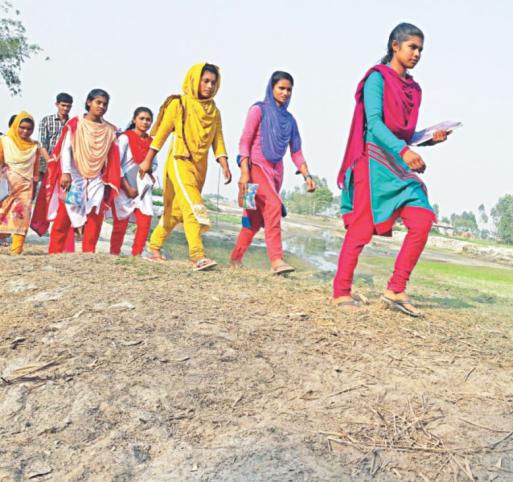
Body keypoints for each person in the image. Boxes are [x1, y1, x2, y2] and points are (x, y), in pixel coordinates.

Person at [332, 23, 450, 315]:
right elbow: (374, 124)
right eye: (412, 47)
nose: (417, 53)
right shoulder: (377, 78)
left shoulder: (414, 88)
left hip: (398, 165)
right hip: (372, 162)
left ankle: (396, 288)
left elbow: (403, 132)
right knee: (360, 230)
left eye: (421, 49)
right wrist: (403, 150)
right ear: (395, 46)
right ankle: (341, 291)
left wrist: (428, 140)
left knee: (423, 219)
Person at [137, 63, 231, 271]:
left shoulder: (214, 112)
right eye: (205, 81)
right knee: (192, 206)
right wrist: (147, 159)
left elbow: (218, 139)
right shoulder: (179, 104)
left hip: (200, 166)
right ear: (194, 80)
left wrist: (224, 163)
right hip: (179, 161)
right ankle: (197, 255)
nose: (208, 86)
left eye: (213, 83)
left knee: (176, 211)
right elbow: (162, 133)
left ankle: (153, 248)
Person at [231, 71, 316, 274]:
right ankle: (276, 260)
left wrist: (307, 175)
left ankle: (235, 260)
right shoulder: (258, 110)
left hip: (275, 174)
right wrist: (244, 173)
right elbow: (245, 141)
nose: (285, 93)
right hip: (254, 171)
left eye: (289, 89)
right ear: (271, 88)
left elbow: (296, 150)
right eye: (281, 88)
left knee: (252, 220)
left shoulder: (290, 120)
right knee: (274, 205)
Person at [34, 89, 121, 254]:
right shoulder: (76, 123)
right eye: (98, 102)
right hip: (75, 176)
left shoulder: (110, 130)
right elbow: (66, 149)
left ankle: (89, 253)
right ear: (89, 102)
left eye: (105, 104)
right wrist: (66, 172)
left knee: (95, 217)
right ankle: (54, 252)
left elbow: (112, 158)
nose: (101, 106)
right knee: (64, 217)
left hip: (96, 178)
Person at [0, 112, 53, 254]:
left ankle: (16, 251)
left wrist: (34, 187)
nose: (25, 131)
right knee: (3, 216)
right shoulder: (4, 141)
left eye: (29, 129)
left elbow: (35, 171)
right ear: (16, 126)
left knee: (22, 218)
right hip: (6, 186)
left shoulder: (34, 146)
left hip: (25, 188)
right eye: (22, 127)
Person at [109, 107, 157, 256]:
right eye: (141, 118)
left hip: (142, 187)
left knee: (145, 218)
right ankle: (114, 253)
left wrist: (148, 168)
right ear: (134, 120)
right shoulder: (125, 138)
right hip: (125, 186)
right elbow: (117, 163)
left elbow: (154, 164)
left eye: (148, 119)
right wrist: (127, 187)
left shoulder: (152, 142)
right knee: (120, 223)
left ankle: (136, 254)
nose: (145, 122)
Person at [38, 93, 73, 180]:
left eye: (68, 106)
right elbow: (42, 144)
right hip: (47, 161)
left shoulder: (72, 123)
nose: (65, 108)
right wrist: (50, 161)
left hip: (65, 163)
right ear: (57, 104)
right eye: (63, 105)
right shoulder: (46, 120)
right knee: (44, 189)